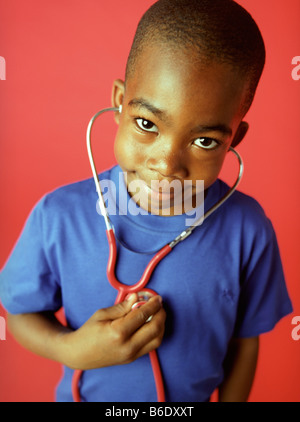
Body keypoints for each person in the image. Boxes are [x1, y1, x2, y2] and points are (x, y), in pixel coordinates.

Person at [0, 0, 293, 402]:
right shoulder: (58, 217)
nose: (166, 164)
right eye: (147, 124)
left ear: (234, 140)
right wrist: (72, 349)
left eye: (204, 141)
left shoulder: (248, 230)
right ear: (120, 102)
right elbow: (19, 315)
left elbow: (245, 344)